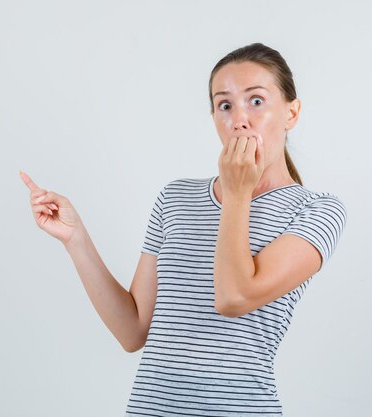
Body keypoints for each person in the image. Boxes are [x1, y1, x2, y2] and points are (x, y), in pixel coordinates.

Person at [20, 42, 347, 416]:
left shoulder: (317, 211)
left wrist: (238, 193)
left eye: (256, 101)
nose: (239, 119)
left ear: (291, 113)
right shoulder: (175, 198)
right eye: (224, 105)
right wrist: (75, 239)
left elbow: (234, 298)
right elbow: (133, 331)